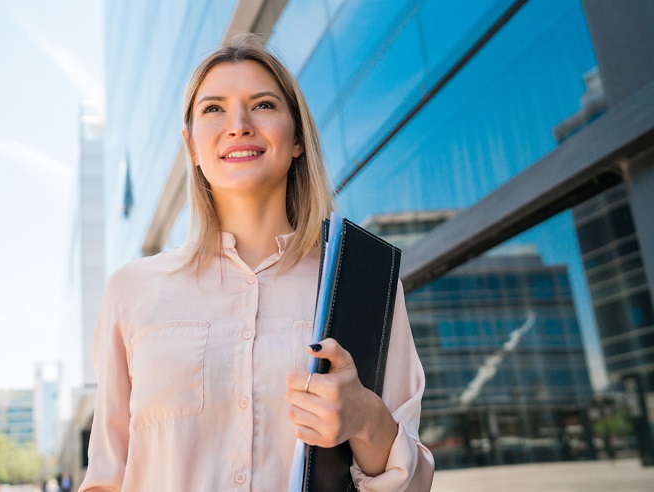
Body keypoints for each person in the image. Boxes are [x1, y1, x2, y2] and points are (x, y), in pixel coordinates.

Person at [79, 33, 434, 491]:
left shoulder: (363, 283)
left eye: (263, 104)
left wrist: (365, 419)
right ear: (192, 148)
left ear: (298, 139)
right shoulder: (131, 291)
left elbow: (414, 484)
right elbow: (107, 478)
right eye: (214, 109)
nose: (239, 124)